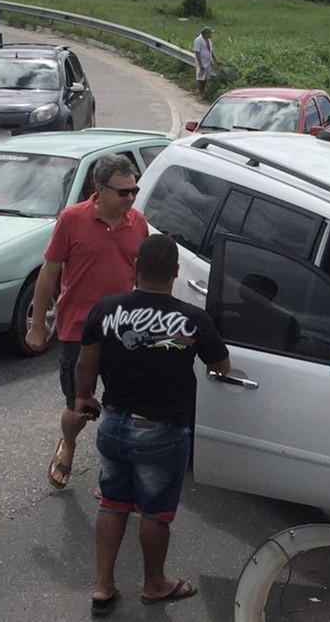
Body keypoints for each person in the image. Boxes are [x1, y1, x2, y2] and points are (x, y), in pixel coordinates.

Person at [75, 234, 231, 616]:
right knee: (154, 514)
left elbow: (84, 364)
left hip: (112, 422)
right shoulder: (193, 319)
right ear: (176, 273)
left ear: (135, 267)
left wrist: (84, 398)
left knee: (112, 504)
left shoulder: (106, 309)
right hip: (162, 430)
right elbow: (221, 365)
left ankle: (102, 586)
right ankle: (154, 584)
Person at [27, 154, 148, 491]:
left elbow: (142, 278)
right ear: (99, 188)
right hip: (77, 331)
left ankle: (112, 472)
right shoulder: (71, 219)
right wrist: (38, 324)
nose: (130, 199)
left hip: (122, 334)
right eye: (123, 192)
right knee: (79, 408)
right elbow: (49, 271)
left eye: (134, 191)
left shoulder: (138, 223)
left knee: (122, 407)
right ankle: (69, 443)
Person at [193, 26, 219, 100]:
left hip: (208, 61)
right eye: (210, 33)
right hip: (201, 61)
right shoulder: (198, 40)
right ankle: (200, 92)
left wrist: (215, 59)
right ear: (206, 33)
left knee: (206, 77)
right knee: (200, 77)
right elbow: (197, 52)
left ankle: (203, 92)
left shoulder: (209, 40)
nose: (211, 35)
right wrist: (200, 64)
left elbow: (211, 51)